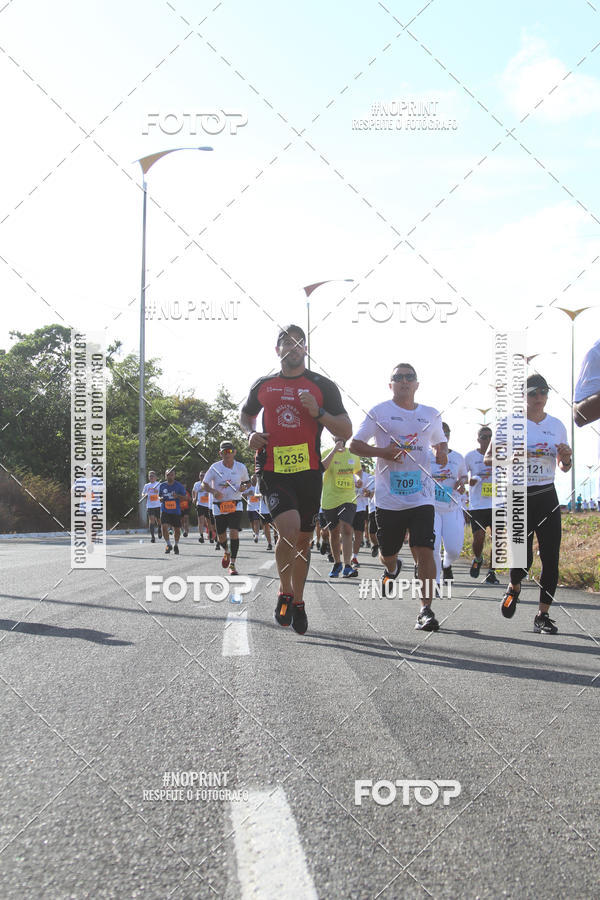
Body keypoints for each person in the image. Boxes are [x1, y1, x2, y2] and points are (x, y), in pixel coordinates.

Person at [240, 324, 351, 635]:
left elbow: (345, 430)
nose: (293, 346)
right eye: (286, 342)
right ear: (277, 350)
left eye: (299, 342)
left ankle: (298, 600)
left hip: (310, 472)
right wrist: (250, 433)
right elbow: (245, 415)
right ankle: (284, 591)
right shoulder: (264, 385)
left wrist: (318, 413)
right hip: (274, 469)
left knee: (303, 539)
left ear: (306, 349)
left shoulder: (322, 386)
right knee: (287, 530)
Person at [350, 363, 447, 631]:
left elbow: (440, 441)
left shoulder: (430, 413)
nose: (404, 381)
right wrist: (383, 453)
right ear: (390, 384)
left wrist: (442, 451)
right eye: (398, 377)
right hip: (389, 498)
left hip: (422, 496)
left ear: (417, 384)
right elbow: (355, 445)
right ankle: (392, 569)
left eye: (409, 377)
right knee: (387, 553)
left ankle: (425, 610)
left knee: (425, 550)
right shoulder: (379, 412)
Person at [486, 374, 572, 634]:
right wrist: (511, 459)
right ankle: (514, 586)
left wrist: (566, 460)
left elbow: (564, 467)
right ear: (523, 396)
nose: (539, 397)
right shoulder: (508, 423)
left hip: (547, 492)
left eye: (544, 392)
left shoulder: (557, 425)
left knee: (551, 557)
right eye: (533, 392)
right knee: (521, 559)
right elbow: (489, 460)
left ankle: (542, 615)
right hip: (519, 495)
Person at [202, 441, 250, 575]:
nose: (227, 454)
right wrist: (213, 491)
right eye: (224, 452)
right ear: (220, 453)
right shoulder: (215, 467)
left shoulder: (241, 467)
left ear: (234, 452)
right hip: (219, 506)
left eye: (230, 451)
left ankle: (233, 564)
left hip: (236, 504)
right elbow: (203, 484)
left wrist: (244, 487)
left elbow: (247, 482)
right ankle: (227, 551)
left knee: (234, 532)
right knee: (221, 536)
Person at [429, 423, 468, 582]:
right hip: (431, 508)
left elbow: (463, 476)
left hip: (452, 507)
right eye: (440, 433)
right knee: (434, 546)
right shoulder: (425, 456)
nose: (443, 436)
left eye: (446, 433)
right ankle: (436, 581)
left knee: (453, 550)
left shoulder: (458, 457)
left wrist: (462, 482)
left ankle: (447, 564)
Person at [321, 438, 362, 578]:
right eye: (336, 435)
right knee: (334, 532)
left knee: (346, 528)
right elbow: (323, 467)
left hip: (348, 497)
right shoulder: (326, 452)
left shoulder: (353, 454)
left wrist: (358, 479)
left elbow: (357, 472)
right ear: (332, 438)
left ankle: (348, 566)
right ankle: (337, 563)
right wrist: (334, 450)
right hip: (330, 499)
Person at [465, 426, 499, 584]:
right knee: (479, 537)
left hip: (497, 503)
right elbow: (463, 478)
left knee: (498, 538)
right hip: (478, 504)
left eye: (490, 437)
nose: (487, 440)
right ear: (478, 439)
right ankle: (478, 558)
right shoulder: (470, 456)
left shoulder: (501, 455)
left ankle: (492, 572)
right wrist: (475, 479)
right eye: (484, 437)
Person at [158, 468, 187, 554]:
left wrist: (177, 496)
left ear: (174, 475)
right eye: (167, 475)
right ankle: (168, 544)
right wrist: (160, 498)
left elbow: (185, 498)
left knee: (177, 530)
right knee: (164, 527)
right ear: (165, 476)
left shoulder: (179, 486)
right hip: (165, 510)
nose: (169, 476)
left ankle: (176, 545)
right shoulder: (162, 485)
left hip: (175, 511)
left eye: (171, 475)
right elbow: (159, 496)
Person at [351, 465, 371, 568]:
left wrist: (366, 493)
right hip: (347, 507)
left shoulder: (367, 476)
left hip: (360, 508)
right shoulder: (346, 473)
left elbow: (370, 493)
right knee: (346, 533)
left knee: (358, 534)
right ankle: (345, 555)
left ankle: (354, 557)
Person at [192, 471, 214, 544]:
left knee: (209, 522)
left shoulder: (209, 483)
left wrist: (208, 493)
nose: (202, 477)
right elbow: (193, 491)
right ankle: (201, 536)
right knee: (200, 521)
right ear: (199, 476)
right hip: (200, 504)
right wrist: (194, 498)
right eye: (201, 475)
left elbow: (213, 491)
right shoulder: (197, 484)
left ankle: (211, 536)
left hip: (208, 505)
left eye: (204, 476)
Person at [142, 470, 161, 543]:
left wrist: (157, 492)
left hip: (158, 505)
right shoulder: (147, 485)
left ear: (156, 477)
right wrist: (145, 495)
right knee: (151, 520)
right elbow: (143, 493)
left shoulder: (158, 484)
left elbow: (162, 493)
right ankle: (152, 536)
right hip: (150, 506)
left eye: (152, 476)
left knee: (158, 520)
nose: (151, 477)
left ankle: (159, 528)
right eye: (150, 476)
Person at [244, 476, 262, 542]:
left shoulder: (259, 486)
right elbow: (242, 495)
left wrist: (259, 495)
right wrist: (248, 493)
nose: (253, 481)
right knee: (251, 522)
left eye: (255, 479)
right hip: (250, 507)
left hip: (257, 507)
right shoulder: (248, 487)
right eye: (252, 480)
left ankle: (256, 535)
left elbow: (263, 494)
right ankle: (254, 532)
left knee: (256, 521)